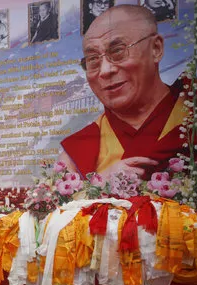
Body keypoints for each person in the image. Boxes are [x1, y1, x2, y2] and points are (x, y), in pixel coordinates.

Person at [59, 5, 188, 180]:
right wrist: (99, 183)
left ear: (155, 49)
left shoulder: (195, 112)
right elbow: (58, 206)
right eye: (93, 59)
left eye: (118, 51)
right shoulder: (76, 154)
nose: (105, 70)